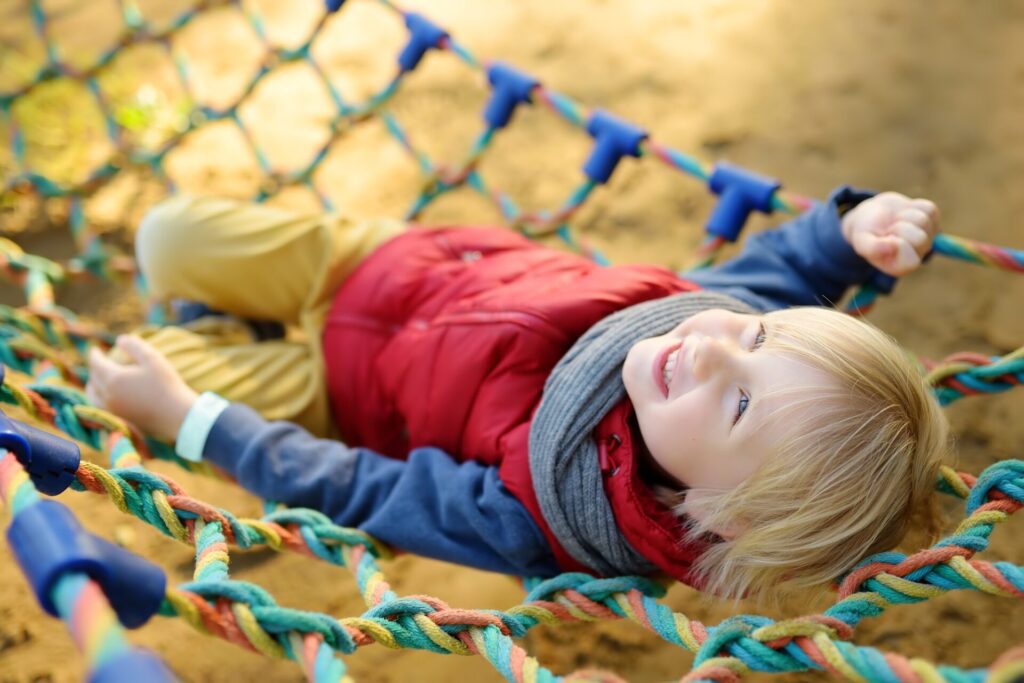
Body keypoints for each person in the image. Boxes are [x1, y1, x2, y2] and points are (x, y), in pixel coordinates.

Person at [86, 186, 949, 600]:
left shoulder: (546, 515)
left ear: (721, 517)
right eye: (759, 337)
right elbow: (779, 276)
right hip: (389, 269)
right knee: (165, 237)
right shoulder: (702, 322)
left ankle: (227, 344)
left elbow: (361, 488)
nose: (714, 343)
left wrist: (193, 423)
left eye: (739, 405)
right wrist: (845, 235)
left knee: (147, 363)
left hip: (338, 390)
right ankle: (229, 319)